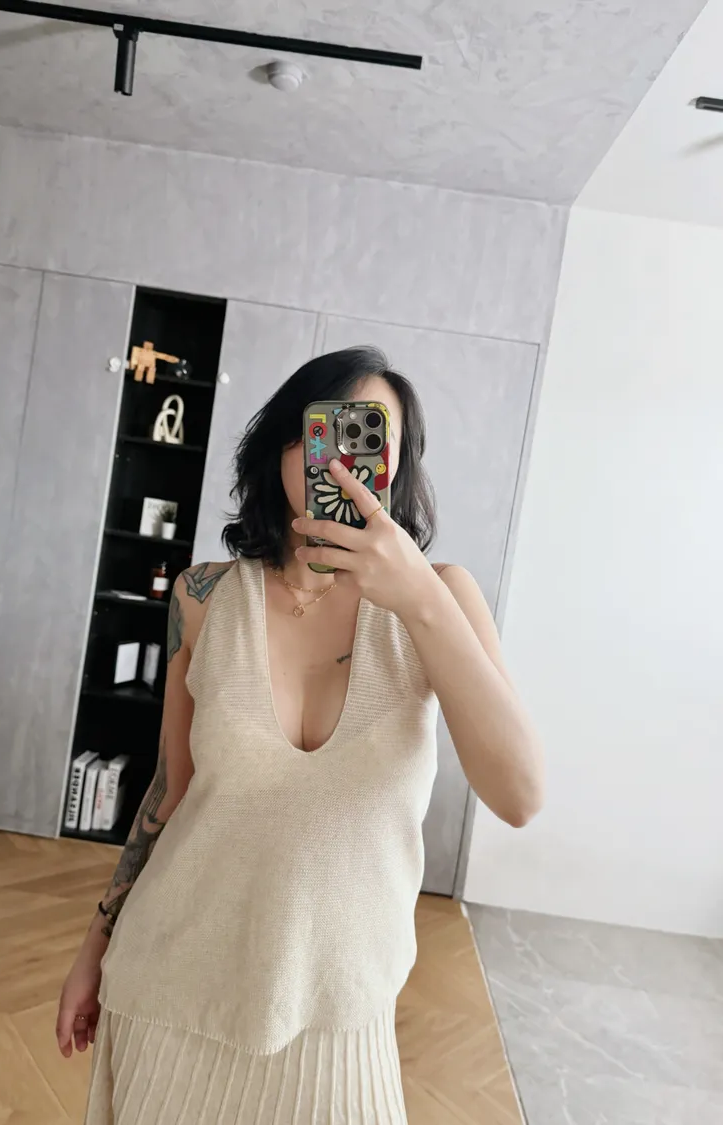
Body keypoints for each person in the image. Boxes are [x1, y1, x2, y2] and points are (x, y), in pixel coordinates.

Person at [57, 346, 543, 1125]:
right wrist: (95, 943)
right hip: (169, 991)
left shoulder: (441, 599)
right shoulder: (203, 595)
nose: (345, 457)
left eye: (370, 434)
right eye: (326, 429)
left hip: (341, 1022)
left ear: (396, 464)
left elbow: (519, 794)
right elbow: (171, 793)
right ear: (285, 444)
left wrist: (417, 596)